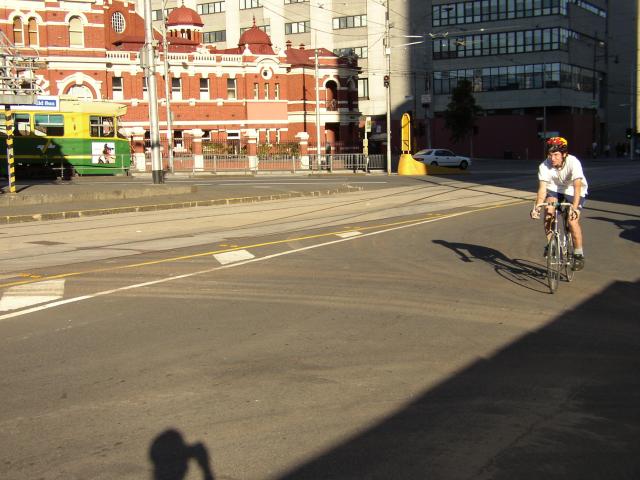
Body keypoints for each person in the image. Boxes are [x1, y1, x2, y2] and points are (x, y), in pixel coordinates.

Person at [530, 136, 588, 270]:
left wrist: (574, 208)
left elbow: (578, 186)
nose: (552, 158)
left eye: (556, 155)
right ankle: (552, 244)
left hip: (573, 191)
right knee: (548, 211)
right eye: (550, 155)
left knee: (572, 222)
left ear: (564, 154)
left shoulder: (573, 162)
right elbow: (542, 190)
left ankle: (578, 254)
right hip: (554, 190)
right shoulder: (544, 166)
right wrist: (537, 207)